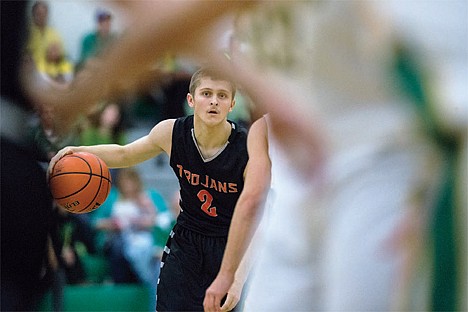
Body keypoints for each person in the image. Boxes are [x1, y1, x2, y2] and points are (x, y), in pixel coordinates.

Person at [48, 67, 249, 311]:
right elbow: (125, 153)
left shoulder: (247, 149)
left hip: (230, 243)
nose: (214, 101)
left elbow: (257, 218)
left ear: (232, 104)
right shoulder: (171, 132)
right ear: (191, 100)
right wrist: (78, 152)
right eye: (206, 93)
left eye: (222, 95)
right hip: (187, 240)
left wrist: (238, 279)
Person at [27, 1, 66, 67]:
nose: (41, 17)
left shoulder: (54, 34)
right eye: (38, 14)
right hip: (31, 69)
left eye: (43, 14)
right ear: (33, 14)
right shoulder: (27, 33)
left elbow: (61, 56)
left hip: (51, 70)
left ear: (47, 14)